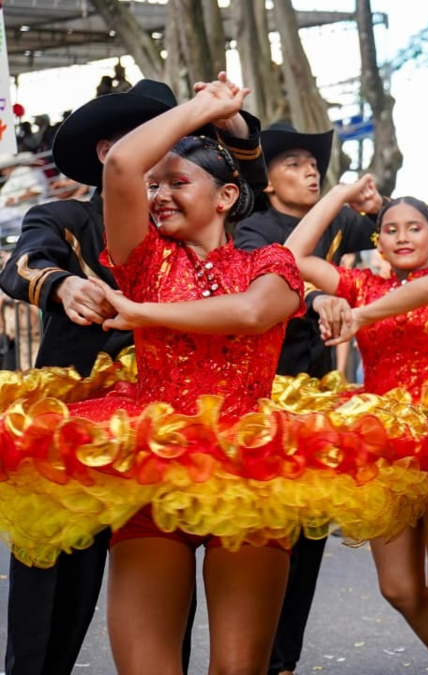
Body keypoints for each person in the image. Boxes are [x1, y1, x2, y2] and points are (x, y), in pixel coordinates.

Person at [0, 76, 266, 675]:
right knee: (51, 596)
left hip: (167, 437)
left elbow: (251, 186)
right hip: (79, 431)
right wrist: (61, 283)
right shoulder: (67, 214)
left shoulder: (202, 236)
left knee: (165, 608)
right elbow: (21, 261)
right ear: (108, 152)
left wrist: (231, 120)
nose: (164, 151)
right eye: (146, 138)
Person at [89, 77, 301, 674]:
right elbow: (124, 164)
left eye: (177, 183)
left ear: (227, 196)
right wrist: (201, 110)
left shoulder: (269, 261)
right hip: (153, 472)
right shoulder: (145, 261)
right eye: (154, 187)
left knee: (238, 669)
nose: (157, 195)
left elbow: (256, 312)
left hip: (251, 473)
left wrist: (142, 314)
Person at [284, 179, 428, 675]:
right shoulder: (361, 285)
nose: (402, 237)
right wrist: (339, 193)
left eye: (415, 228)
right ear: (377, 242)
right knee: (397, 587)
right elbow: (290, 256)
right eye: (389, 230)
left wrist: (361, 314)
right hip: (382, 448)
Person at [234, 120, 383, 675]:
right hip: (263, 399)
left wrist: (374, 202)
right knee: (266, 536)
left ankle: (283, 662)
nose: (309, 169)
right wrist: (318, 296)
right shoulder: (250, 225)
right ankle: (253, 657)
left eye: (312, 162)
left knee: (311, 533)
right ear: (267, 181)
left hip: (320, 398)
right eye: (293, 162)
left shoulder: (341, 221)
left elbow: (393, 230)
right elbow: (262, 281)